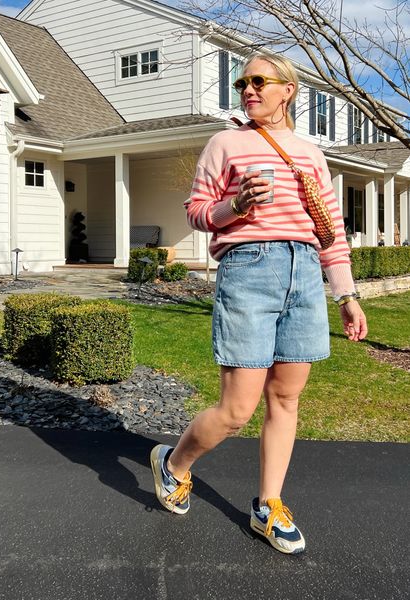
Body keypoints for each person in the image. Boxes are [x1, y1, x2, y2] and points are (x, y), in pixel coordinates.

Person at [150, 53, 368, 555]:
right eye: (242, 81)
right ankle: (173, 464)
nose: (248, 89)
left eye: (258, 81)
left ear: (286, 90)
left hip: (306, 274)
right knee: (236, 409)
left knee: (286, 398)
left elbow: (329, 231)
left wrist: (347, 295)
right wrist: (238, 206)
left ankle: (268, 504)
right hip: (249, 270)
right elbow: (199, 213)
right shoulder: (224, 142)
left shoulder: (311, 153)